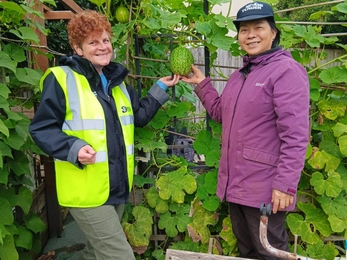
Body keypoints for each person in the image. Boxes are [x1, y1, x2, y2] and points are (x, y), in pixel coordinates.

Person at [29, 10, 179, 260]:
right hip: (87, 193)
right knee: (119, 255)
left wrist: (159, 89)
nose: (102, 47)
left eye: (106, 40)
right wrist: (74, 147)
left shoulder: (118, 83)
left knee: (94, 252)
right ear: (78, 48)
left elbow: (137, 118)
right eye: (93, 42)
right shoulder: (62, 79)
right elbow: (42, 129)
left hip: (115, 187)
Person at [181, 2, 309, 259]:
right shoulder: (240, 75)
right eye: (244, 29)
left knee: (270, 252)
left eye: (258, 27)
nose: (250, 34)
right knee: (248, 251)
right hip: (237, 186)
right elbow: (221, 113)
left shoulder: (286, 71)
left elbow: (295, 136)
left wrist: (285, 185)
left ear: (273, 32)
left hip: (265, 190)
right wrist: (202, 84)